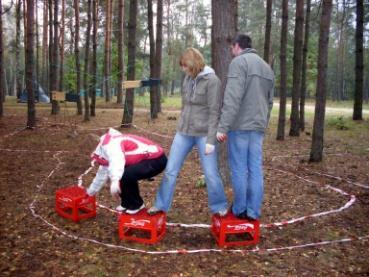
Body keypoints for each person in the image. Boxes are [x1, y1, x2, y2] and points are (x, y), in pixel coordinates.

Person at [148, 47, 228, 216]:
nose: (183, 69)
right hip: (184, 132)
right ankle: (160, 205)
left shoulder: (212, 81)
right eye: (182, 66)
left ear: (194, 64)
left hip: (204, 133)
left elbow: (215, 111)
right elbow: (186, 105)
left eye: (185, 66)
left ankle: (220, 206)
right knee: (170, 170)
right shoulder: (187, 78)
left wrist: (211, 140)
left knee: (210, 173)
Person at [216, 34, 274, 221]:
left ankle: (240, 209)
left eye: (232, 48)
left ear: (237, 46)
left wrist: (223, 127)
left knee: (240, 168)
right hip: (257, 127)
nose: (232, 52)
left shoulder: (239, 62)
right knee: (255, 169)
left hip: (240, 125)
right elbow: (270, 101)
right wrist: (263, 123)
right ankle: (253, 212)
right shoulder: (267, 67)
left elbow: (232, 98)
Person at [86, 128, 167, 214]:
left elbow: (117, 161)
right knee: (121, 174)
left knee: (125, 174)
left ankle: (137, 204)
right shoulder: (103, 153)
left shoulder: (111, 145)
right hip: (145, 159)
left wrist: (115, 180)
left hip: (156, 159)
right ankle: (126, 203)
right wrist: (90, 192)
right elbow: (101, 175)